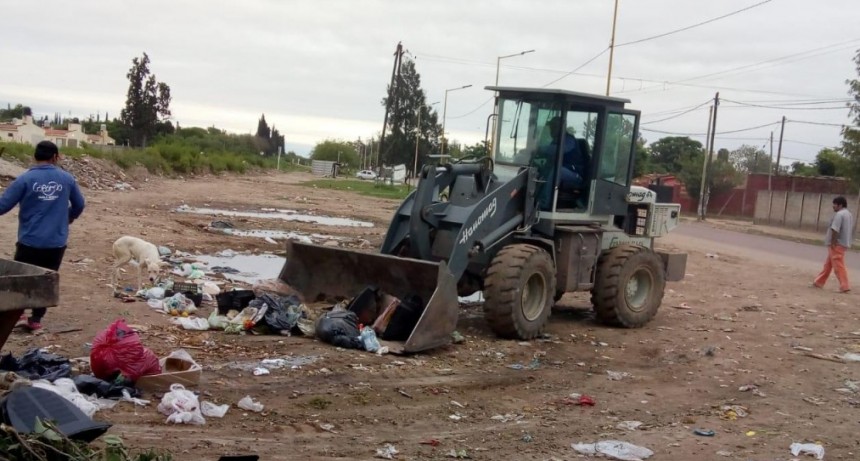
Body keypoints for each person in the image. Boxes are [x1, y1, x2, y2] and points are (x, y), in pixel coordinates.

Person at [0, 140, 85, 330]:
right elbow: (79, 204)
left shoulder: (24, 179)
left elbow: (2, 206)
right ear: (55, 157)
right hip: (56, 242)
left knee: (21, 278)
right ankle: (36, 320)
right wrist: (69, 217)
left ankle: (18, 313)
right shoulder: (67, 179)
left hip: (29, 241)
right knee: (46, 280)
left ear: (34, 156)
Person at [813, 195, 853, 293]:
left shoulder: (839, 215)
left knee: (838, 266)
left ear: (840, 205)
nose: (833, 206)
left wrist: (833, 242)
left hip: (837, 244)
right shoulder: (848, 214)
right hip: (843, 243)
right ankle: (819, 282)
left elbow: (835, 229)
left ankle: (845, 285)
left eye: (835, 204)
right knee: (828, 264)